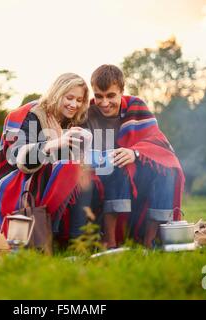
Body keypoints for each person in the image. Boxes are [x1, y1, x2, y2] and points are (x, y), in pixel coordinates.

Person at [84, 65, 185, 248]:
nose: (105, 102)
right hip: (102, 174)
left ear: (121, 91)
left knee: (167, 170)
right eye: (99, 96)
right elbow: (79, 152)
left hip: (138, 174)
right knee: (117, 164)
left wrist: (135, 152)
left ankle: (150, 240)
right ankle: (111, 240)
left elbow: (159, 143)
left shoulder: (136, 106)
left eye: (111, 95)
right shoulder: (88, 113)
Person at [0, 73, 92, 243]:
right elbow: (21, 160)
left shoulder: (71, 121)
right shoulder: (34, 115)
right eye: (69, 98)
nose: (74, 104)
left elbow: (70, 161)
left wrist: (82, 143)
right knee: (70, 169)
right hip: (20, 183)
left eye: (79, 100)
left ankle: (78, 240)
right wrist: (54, 143)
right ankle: (48, 235)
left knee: (87, 174)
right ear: (57, 93)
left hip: (50, 180)